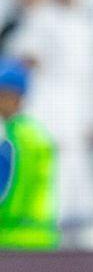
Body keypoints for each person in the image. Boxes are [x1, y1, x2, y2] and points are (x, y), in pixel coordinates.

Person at [0, 57, 58, 250]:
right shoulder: (35, 133)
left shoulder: (12, 138)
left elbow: (4, 188)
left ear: (14, 97)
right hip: (41, 237)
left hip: (13, 238)